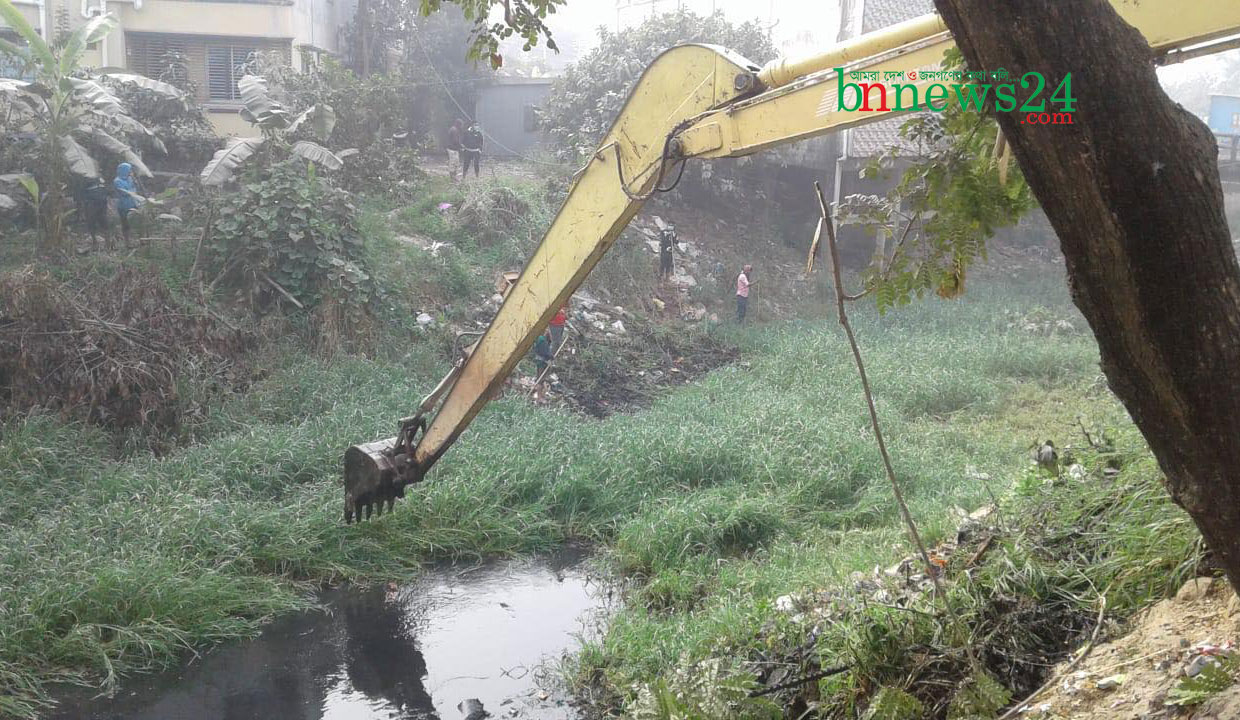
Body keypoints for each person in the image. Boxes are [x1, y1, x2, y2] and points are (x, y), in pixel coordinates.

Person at [113, 162, 141, 246]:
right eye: (129, 170)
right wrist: (133, 190)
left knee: (137, 222)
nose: (130, 172)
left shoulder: (130, 179)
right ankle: (127, 242)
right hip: (124, 205)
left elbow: (136, 189)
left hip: (134, 203)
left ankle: (140, 240)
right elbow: (124, 192)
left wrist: (136, 184)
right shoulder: (117, 181)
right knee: (125, 224)